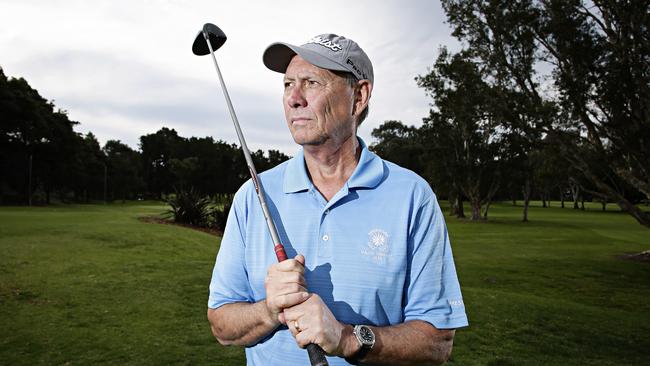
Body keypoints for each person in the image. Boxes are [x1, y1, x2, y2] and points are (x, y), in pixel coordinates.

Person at [207, 33, 468, 365]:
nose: (293, 98)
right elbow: (221, 324)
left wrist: (346, 338)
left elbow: (437, 343)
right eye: (288, 85)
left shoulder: (412, 197)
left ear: (358, 97)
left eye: (311, 83)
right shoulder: (253, 194)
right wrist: (269, 310)